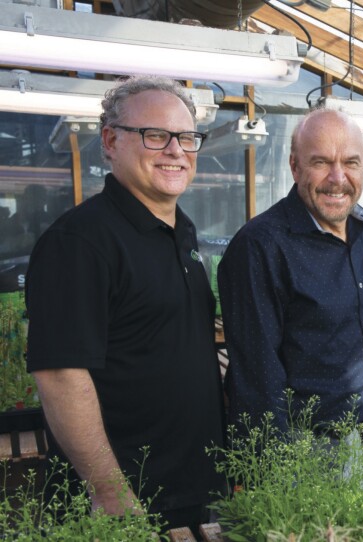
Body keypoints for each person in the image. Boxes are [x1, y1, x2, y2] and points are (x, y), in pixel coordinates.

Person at [26, 76, 226, 532]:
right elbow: (60, 375)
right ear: (111, 141)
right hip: (124, 504)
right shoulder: (80, 242)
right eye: (155, 135)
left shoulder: (184, 233)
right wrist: (109, 490)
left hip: (187, 489)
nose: (176, 150)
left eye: (187, 137)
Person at [218, 109, 363, 442]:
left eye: (351, 163)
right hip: (299, 447)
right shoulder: (260, 246)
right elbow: (258, 379)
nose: (338, 178)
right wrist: (279, 477)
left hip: (362, 438)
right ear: (295, 166)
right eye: (321, 162)